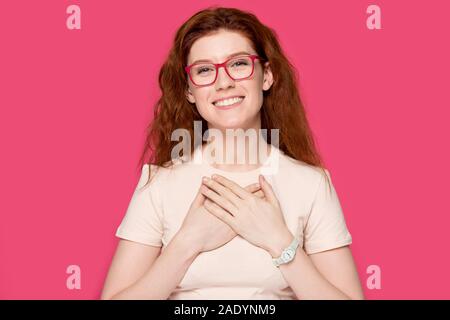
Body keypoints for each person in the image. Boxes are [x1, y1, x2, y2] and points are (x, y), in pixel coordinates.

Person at [101, 6, 364, 300]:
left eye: (238, 64)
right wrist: (188, 242)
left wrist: (278, 240)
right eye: (204, 70)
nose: (223, 82)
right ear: (190, 91)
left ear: (266, 76)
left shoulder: (311, 184)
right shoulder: (160, 183)